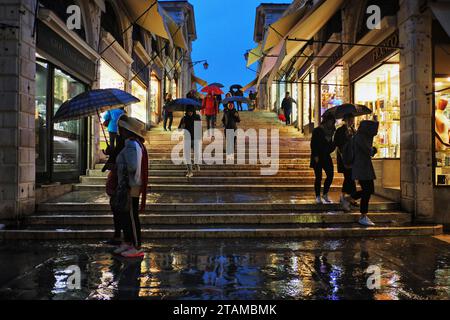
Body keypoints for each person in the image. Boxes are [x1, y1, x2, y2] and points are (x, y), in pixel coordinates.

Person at [113, 116, 148, 258]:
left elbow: (132, 166)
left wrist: (120, 166)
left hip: (130, 185)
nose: (119, 131)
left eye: (121, 129)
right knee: (127, 215)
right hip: (131, 184)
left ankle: (136, 246)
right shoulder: (134, 144)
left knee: (132, 217)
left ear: (127, 131)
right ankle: (128, 242)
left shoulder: (131, 145)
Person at [351, 120, 379, 226]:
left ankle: (351, 198)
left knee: (369, 190)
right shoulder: (361, 137)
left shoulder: (362, 136)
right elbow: (369, 151)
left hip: (364, 167)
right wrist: (374, 149)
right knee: (368, 190)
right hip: (362, 168)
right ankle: (363, 216)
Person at [333, 113, 358, 211]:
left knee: (350, 177)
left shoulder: (353, 130)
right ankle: (349, 197)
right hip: (344, 157)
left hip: (352, 157)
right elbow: (337, 143)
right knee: (349, 176)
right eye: (350, 119)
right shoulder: (340, 130)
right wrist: (347, 139)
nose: (352, 121)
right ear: (345, 119)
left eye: (353, 119)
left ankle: (346, 196)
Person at [310, 113, 336, 204]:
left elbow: (332, 146)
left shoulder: (333, 131)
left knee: (330, 174)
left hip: (326, 156)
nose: (331, 124)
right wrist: (315, 156)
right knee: (318, 177)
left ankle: (325, 194)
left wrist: (332, 144)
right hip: (317, 156)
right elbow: (313, 144)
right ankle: (317, 196)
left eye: (332, 122)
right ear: (326, 121)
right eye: (330, 121)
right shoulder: (318, 130)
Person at [179, 106, 201, 177]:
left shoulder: (197, 117)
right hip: (187, 139)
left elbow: (199, 127)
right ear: (187, 112)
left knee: (197, 153)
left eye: (191, 111)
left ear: (193, 111)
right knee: (186, 155)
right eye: (189, 111)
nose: (190, 113)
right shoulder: (184, 118)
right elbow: (179, 129)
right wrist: (182, 126)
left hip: (195, 138)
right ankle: (190, 171)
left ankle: (196, 163)